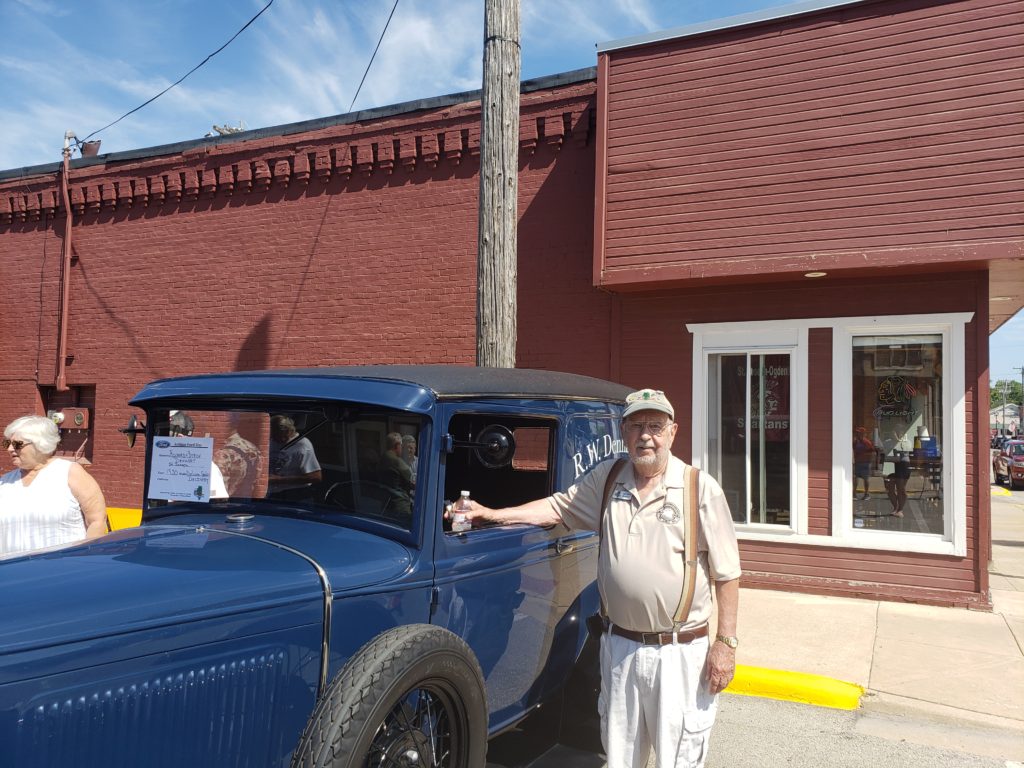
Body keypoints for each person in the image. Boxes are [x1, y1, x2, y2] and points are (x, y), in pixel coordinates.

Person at [458, 388, 740, 768]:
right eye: (637, 425)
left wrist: (724, 645)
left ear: (673, 432)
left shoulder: (698, 488)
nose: (646, 435)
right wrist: (492, 514)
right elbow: (556, 507)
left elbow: (727, 574)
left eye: (655, 426)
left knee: (678, 760)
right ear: (623, 431)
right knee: (620, 756)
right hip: (620, 646)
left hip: (679, 652)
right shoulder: (609, 479)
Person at [0, 414, 108, 556]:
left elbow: (97, 521)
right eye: (7, 444)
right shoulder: (5, 482)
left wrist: (86, 560)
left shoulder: (70, 473)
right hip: (12, 571)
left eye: (17, 444)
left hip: (62, 571)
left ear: (40, 444)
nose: (9, 449)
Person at [169, 411, 228, 499]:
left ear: (179, 437)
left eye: (166, 435)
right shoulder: (161, 463)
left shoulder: (207, 468)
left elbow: (217, 502)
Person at [268, 414, 322, 495]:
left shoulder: (303, 445)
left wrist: (279, 480)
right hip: (271, 494)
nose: (276, 439)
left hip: (296, 495)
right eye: (273, 435)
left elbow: (316, 477)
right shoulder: (271, 441)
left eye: (279, 435)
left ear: (289, 431)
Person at [379, 431, 415, 516]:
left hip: (386, 503)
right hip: (400, 505)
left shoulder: (382, 458)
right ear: (397, 445)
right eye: (401, 446)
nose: (402, 449)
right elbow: (412, 482)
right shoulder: (397, 462)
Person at [883, 427, 912, 518]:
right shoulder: (887, 442)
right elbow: (884, 452)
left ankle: (900, 510)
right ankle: (895, 507)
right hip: (890, 465)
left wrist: (897, 440)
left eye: (899, 432)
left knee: (901, 489)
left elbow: (905, 450)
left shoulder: (907, 441)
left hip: (902, 465)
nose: (896, 433)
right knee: (889, 489)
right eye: (895, 431)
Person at [852, 427, 874, 501]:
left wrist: (870, 462)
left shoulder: (866, 442)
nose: (857, 434)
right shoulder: (855, 442)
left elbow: (871, 452)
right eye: (856, 433)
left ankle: (866, 494)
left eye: (858, 433)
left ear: (863, 434)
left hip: (865, 463)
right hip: (858, 462)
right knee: (855, 478)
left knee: (866, 479)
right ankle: (854, 494)